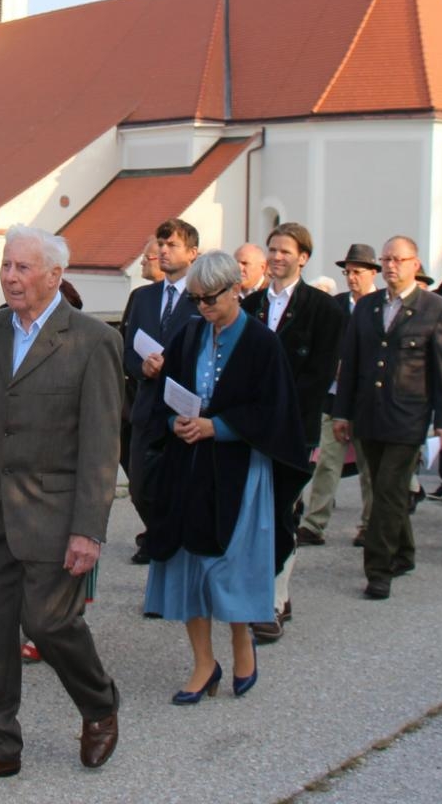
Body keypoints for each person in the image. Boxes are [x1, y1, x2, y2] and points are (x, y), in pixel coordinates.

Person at [0, 226, 121, 788]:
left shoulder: (92, 340)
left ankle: (99, 703)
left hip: (55, 514)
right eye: (6, 265)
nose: (10, 277)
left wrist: (89, 529)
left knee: (48, 623)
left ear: (54, 276)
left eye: (23, 268)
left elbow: (101, 446)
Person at [143, 251, 307, 699]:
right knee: (186, 564)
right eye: (195, 299)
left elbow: (274, 411)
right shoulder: (190, 333)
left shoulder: (262, 343)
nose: (202, 308)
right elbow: (167, 393)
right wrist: (174, 421)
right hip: (189, 467)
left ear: (236, 289)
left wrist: (219, 427)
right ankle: (203, 663)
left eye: (209, 299)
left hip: (239, 470)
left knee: (232, 566)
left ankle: (241, 640)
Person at [330, 236, 442, 601]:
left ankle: (378, 569)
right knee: (387, 487)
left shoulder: (436, 309)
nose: (390, 266)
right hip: (368, 414)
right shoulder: (367, 307)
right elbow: (351, 363)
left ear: (415, 264)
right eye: (386, 259)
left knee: (387, 489)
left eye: (398, 259)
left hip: (408, 415)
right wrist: (342, 412)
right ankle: (403, 552)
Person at [239, 223, 341, 640]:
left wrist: (278, 412)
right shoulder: (251, 305)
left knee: (284, 513)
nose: (277, 257)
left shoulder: (324, 309)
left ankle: (275, 601)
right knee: (254, 515)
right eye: (273, 249)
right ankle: (260, 592)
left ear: (303, 257)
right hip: (252, 428)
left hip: (295, 428)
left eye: (285, 251)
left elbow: (319, 373)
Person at [120, 218, 201, 563]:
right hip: (146, 406)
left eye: (172, 245)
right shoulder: (143, 298)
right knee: (140, 488)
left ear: (193, 253)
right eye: (162, 245)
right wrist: (142, 367)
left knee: (179, 488)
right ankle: (161, 536)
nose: (163, 251)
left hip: (184, 411)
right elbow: (126, 349)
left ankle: (167, 549)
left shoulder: (201, 299)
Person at [300, 243, 384, 549]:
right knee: (327, 462)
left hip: (367, 399)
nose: (351, 278)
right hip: (334, 397)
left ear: (372, 273)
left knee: (369, 467)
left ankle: (369, 524)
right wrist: (331, 365)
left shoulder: (381, 306)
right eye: (347, 272)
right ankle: (314, 523)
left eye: (357, 272)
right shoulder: (336, 305)